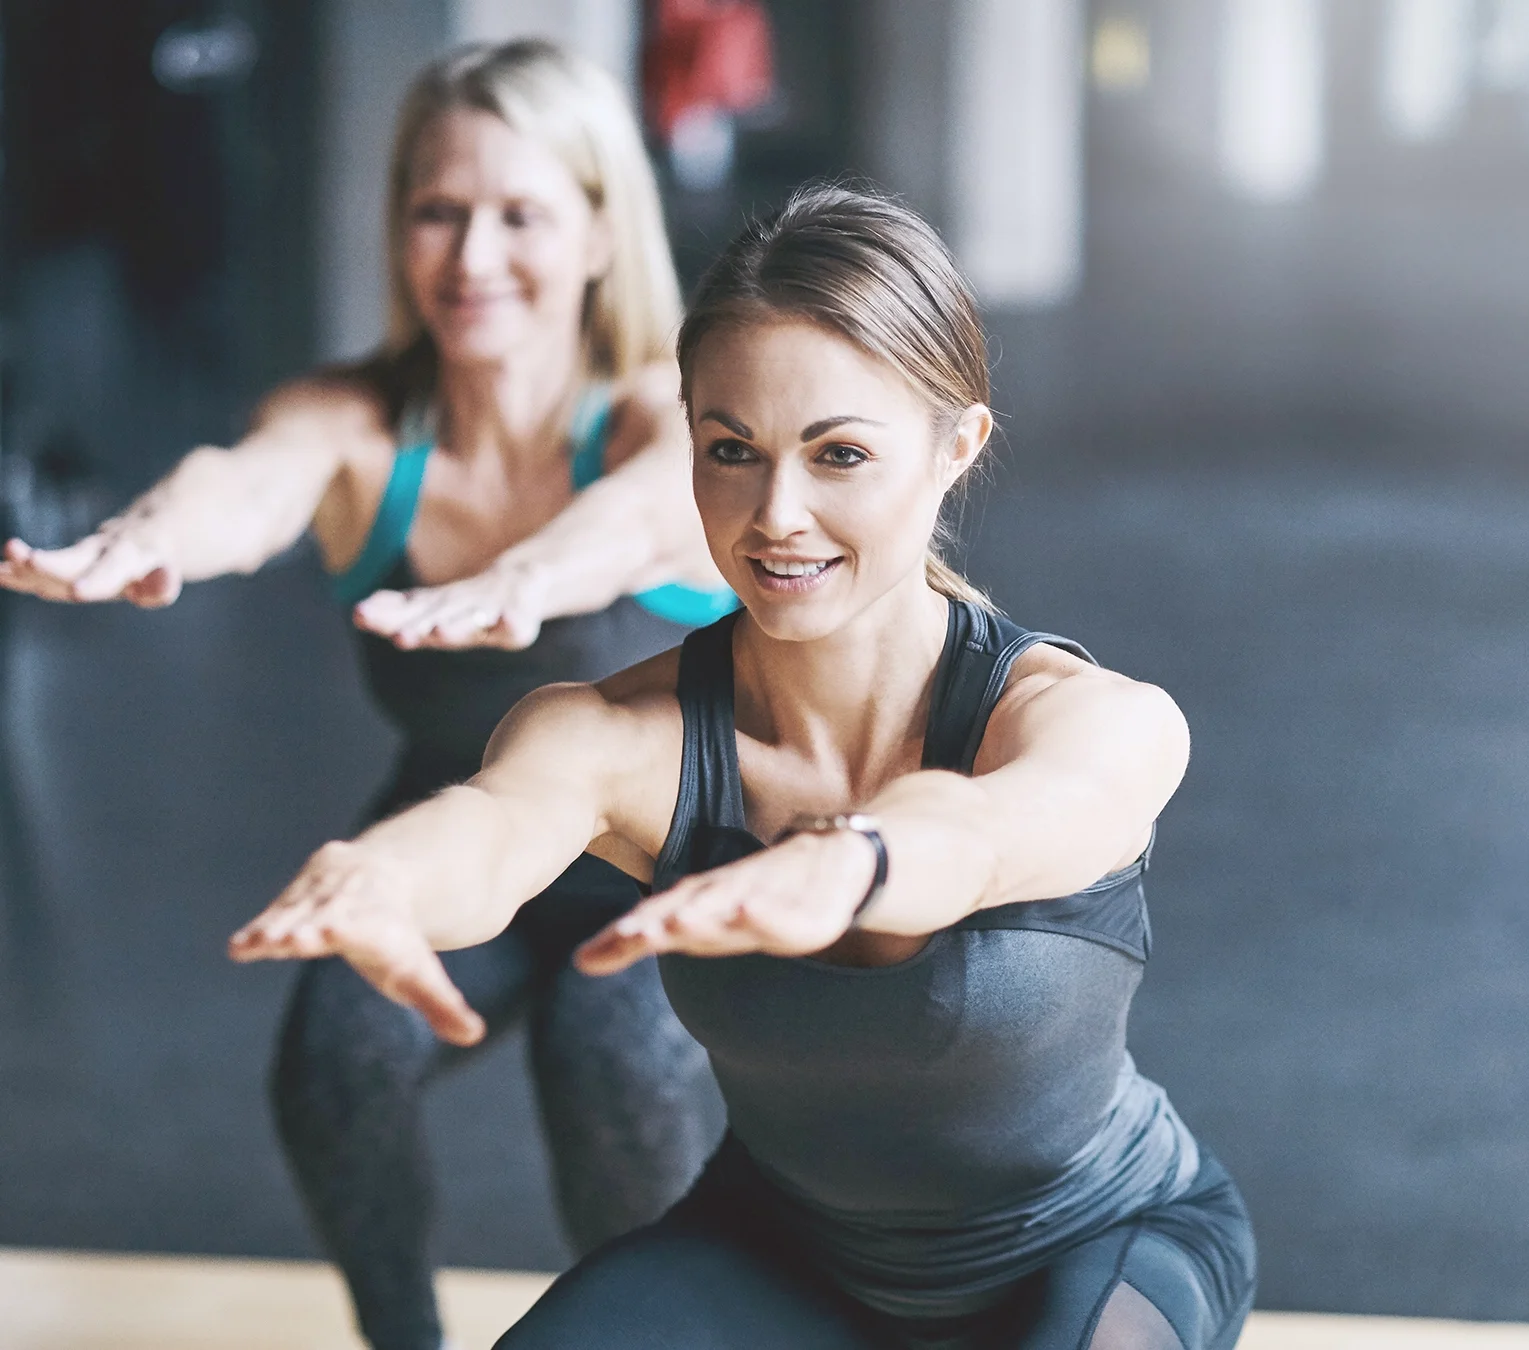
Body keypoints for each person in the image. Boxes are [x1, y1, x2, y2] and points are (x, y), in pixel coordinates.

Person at [228, 183, 1258, 1350]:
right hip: (778, 1257)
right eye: (733, 451)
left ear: (954, 448)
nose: (776, 514)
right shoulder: (628, 732)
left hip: (1092, 1249)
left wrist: (853, 861)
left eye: (840, 455)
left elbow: (983, 836)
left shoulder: (1091, 721)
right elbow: (497, 822)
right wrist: (385, 878)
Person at [2, 41, 733, 1350]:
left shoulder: (652, 412)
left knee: (606, 1064)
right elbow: (254, 475)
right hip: (453, 824)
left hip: (665, 850)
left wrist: (529, 572)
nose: (471, 257)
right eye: (437, 210)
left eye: (520, 215)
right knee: (337, 1061)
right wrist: (154, 533)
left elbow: (644, 512)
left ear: (599, 234)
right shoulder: (359, 422)